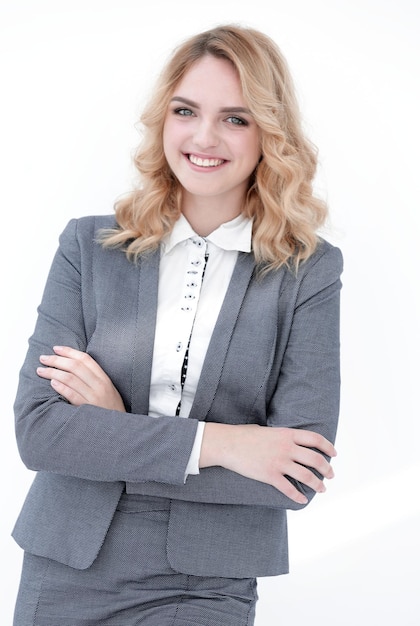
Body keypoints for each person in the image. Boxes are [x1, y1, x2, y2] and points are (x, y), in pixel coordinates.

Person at [12, 23, 342, 626]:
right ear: (164, 119)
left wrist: (115, 429)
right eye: (186, 110)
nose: (204, 137)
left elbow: (295, 475)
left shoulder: (307, 272)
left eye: (236, 118)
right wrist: (230, 445)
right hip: (68, 564)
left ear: (270, 132)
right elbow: (41, 434)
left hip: (208, 583)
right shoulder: (88, 247)